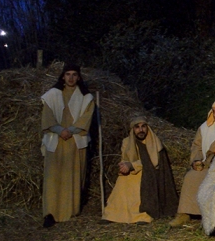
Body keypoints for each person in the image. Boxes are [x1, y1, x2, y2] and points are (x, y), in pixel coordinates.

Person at [41, 64, 95, 228]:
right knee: (53, 177)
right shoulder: (52, 95)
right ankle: (50, 213)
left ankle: (69, 210)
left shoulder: (86, 97)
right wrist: (60, 130)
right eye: (68, 74)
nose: (71, 78)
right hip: (56, 141)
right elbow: (47, 118)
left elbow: (86, 118)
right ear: (63, 77)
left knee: (72, 176)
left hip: (74, 140)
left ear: (78, 77)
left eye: (74, 75)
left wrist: (70, 131)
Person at [102, 116, 179, 224]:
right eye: (137, 127)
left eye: (143, 127)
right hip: (132, 171)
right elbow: (125, 158)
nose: (141, 130)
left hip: (150, 173)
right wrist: (125, 166)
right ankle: (112, 215)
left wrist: (133, 165)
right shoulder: (127, 142)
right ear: (133, 129)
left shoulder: (154, 142)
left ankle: (142, 215)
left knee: (139, 183)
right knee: (122, 181)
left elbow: (154, 163)